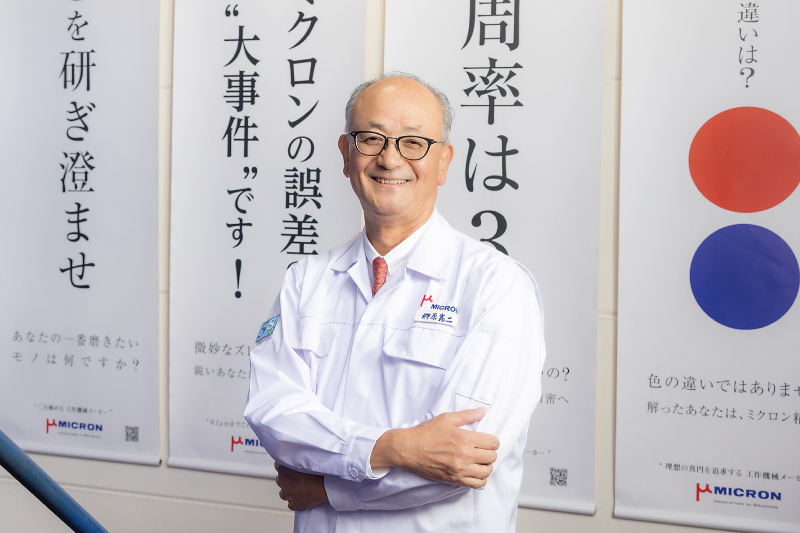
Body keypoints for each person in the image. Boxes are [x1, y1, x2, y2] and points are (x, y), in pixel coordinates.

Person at [244, 72, 545, 532]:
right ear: (346, 155)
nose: (389, 158)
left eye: (413, 143)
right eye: (371, 139)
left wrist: (331, 489)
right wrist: (389, 449)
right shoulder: (306, 281)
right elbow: (273, 413)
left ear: (443, 162)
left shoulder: (496, 285)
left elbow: (464, 459)